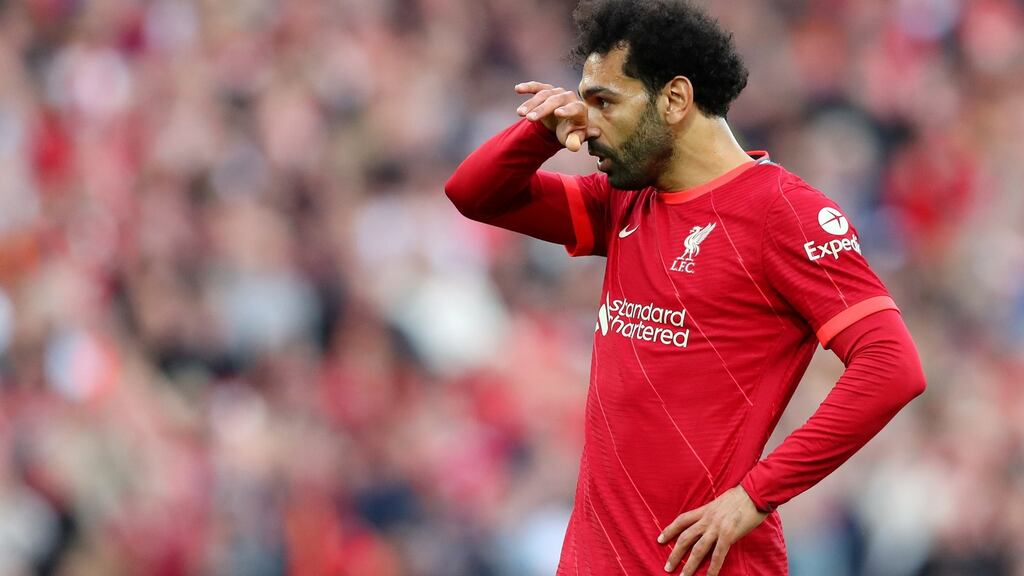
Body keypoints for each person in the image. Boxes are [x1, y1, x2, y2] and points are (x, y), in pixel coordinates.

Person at [445, 1, 927, 574]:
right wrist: (536, 133)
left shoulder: (783, 214)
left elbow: (892, 364)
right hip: (596, 560)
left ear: (674, 99)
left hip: (706, 562)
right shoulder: (624, 201)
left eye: (604, 101)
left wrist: (756, 494)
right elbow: (475, 194)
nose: (587, 122)